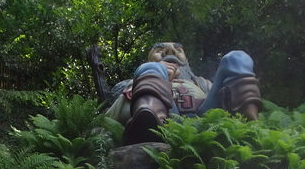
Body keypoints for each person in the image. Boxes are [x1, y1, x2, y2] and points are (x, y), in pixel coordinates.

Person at [106, 42, 263, 145]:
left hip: (204, 119)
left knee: (237, 57)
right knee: (150, 69)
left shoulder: (202, 83)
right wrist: (157, 72)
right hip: (164, 121)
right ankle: (147, 125)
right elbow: (111, 116)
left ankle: (250, 126)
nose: (170, 51)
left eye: (178, 50)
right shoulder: (136, 80)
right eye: (160, 51)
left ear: (186, 60)